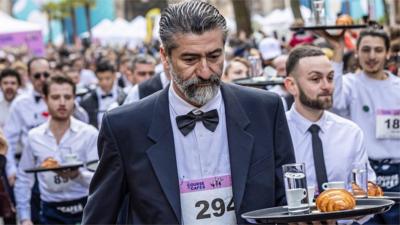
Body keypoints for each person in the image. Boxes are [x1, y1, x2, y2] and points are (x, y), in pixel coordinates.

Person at [82, 1, 295, 224]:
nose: (205, 71)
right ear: (165, 57)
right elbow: (100, 216)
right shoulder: (124, 126)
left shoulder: (266, 110)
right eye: (190, 59)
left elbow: (288, 200)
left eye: (214, 56)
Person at [318, 28, 400, 225]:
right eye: (366, 50)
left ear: (387, 53)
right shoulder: (349, 83)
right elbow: (334, 101)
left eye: (378, 50)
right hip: (365, 172)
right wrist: (337, 48)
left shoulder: (398, 86)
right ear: (356, 52)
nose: (371, 56)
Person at [284, 45, 375, 194]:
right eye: (315, 79)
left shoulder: (350, 132)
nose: (327, 86)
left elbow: (365, 188)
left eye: (330, 77)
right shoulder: (278, 132)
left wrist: (354, 213)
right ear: (291, 85)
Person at [14, 75, 98, 225]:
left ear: (74, 99)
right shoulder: (34, 136)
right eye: (55, 97)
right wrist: (25, 217)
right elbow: (24, 179)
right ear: (45, 99)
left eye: (67, 97)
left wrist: (77, 175)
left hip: (85, 208)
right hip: (49, 210)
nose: (62, 103)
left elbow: (100, 179)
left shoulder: (89, 133)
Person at [80, 60, 126, 128]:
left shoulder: (124, 97)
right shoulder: (87, 101)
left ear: (114, 76)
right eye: (100, 79)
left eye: (107, 78)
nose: (104, 82)